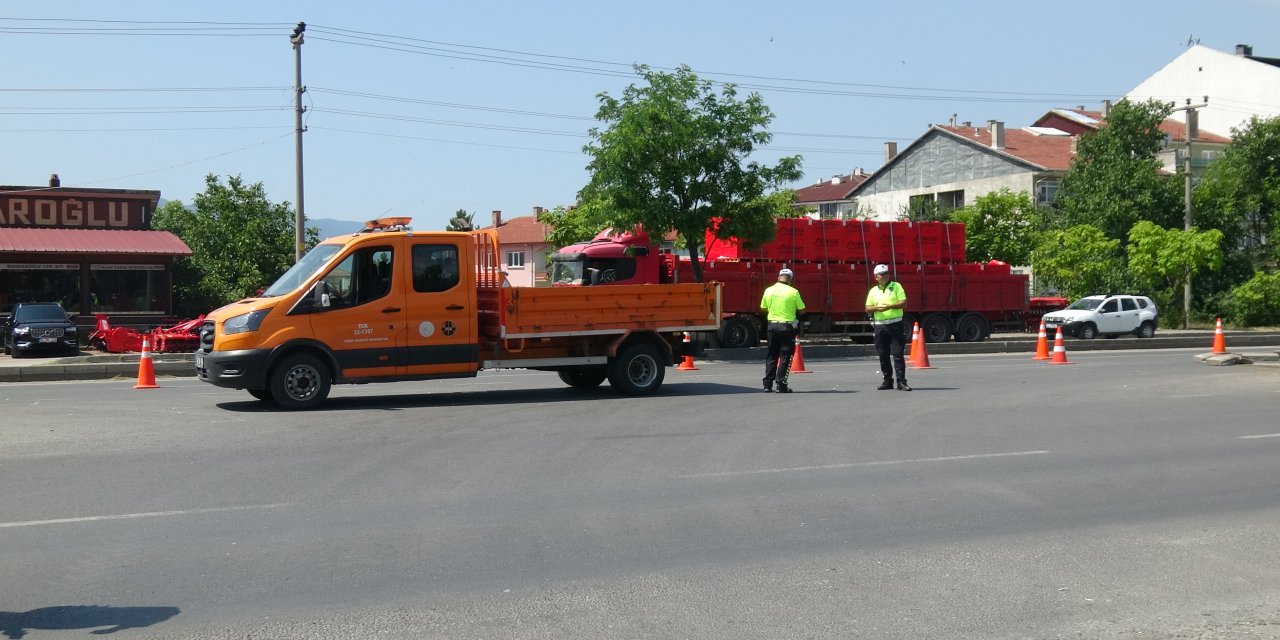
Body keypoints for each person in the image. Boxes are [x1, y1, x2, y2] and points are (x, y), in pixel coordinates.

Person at [865, 263, 911, 391]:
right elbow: (867, 308)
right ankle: (887, 381)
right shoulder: (873, 291)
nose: (885, 276)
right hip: (880, 326)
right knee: (883, 354)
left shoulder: (896, 286)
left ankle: (901, 381)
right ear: (876, 277)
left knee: (897, 354)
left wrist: (889, 306)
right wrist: (876, 308)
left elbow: (904, 303)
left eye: (886, 273)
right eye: (882, 274)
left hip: (895, 324)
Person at [759, 267, 806, 393]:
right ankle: (781, 384)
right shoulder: (793, 292)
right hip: (786, 327)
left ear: (779, 277)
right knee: (785, 355)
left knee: (771, 355)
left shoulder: (768, 290)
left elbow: (763, 307)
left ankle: (767, 385)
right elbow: (802, 309)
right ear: (790, 279)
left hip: (772, 326)